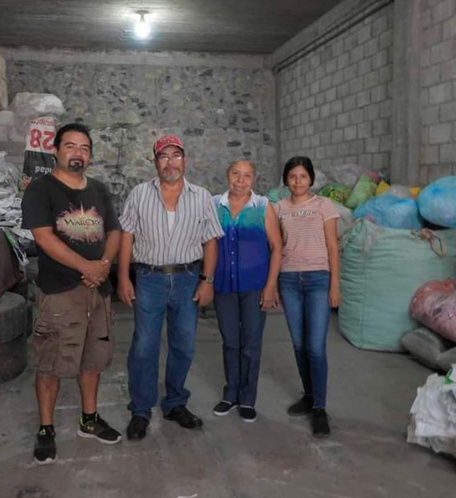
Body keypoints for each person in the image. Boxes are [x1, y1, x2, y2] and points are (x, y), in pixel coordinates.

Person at [21, 122, 122, 465]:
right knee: (50, 361)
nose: (77, 153)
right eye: (70, 146)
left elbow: (114, 232)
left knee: (93, 358)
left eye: (84, 148)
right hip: (60, 292)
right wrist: (86, 267)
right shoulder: (40, 189)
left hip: (98, 290)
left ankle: (89, 420)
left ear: (89, 155)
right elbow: (44, 237)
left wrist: (104, 264)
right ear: (56, 150)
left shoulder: (99, 190)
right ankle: (46, 428)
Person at [117, 134, 224, 441]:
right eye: (163, 156)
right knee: (144, 346)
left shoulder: (201, 196)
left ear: (185, 160)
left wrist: (207, 280)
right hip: (149, 279)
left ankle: (175, 402)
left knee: (184, 345)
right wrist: (123, 277)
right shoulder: (139, 194)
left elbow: (211, 240)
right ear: (155, 162)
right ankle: (141, 409)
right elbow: (126, 236)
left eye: (176, 155)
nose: (170, 162)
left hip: (188, 279)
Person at [211, 160, 283, 423]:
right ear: (227, 175)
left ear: (254, 179)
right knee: (230, 341)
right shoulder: (213, 205)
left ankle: (248, 398)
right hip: (223, 287)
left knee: (251, 343)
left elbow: (276, 247)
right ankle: (230, 393)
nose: (240, 180)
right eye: (235, 174)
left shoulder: (263, 207)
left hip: (255, 287)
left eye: (247, 176)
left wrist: (270, 285)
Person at [274, 156, 341, 438]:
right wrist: (273, 285)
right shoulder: (278, 209)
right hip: (289, 280)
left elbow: (332, 247)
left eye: (303, 176)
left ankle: (320, 409)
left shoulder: (323, 206)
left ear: (311, 179)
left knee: (315, 346)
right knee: (299, 345)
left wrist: (335, 285)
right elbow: (276, 248)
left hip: (317, 280)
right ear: (286, 180)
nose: (298, 181)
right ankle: (310, 395)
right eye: (292, 177)